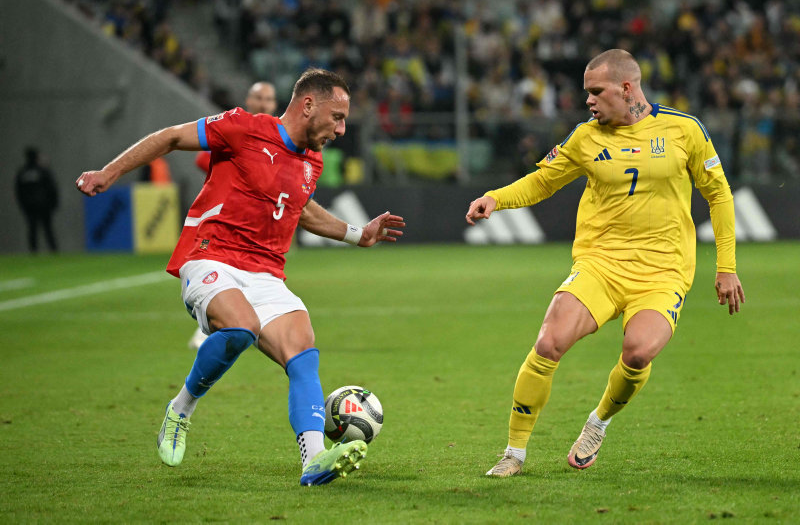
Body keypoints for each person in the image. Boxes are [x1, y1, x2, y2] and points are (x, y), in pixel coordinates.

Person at [76, 68, 405, 486]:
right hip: (210, 257)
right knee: (241, 327)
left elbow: (301, 209)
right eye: (337, 117)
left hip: (266, 272)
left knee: (303, 351)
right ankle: (181, 409)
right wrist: (109, 172)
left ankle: (314, 462)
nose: (341, 129)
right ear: (308, 105)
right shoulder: (243, 128)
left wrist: (359, 235)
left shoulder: (312, 161)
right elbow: (172, 137)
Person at [466, 49, 745, 477]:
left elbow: (719, 194)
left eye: (596, 92)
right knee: (548, 343)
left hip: (663, 270)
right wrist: (495, 199)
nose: (589, 101)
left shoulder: (684, 130)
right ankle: (513, 454)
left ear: (627, 88)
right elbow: (544, 181)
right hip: (600, 264)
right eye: (586, 93)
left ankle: (597, 423)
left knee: (637, 353)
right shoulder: (585, 137)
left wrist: (726, 266)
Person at [187, 80, 278, 349]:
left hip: (263, 223)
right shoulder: (238, 128)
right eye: (258, 98)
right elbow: (201, 158)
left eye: (269, 99)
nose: (263, 103)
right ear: (248, 101)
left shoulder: (280, 137)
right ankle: (209, 329)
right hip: (228, 219)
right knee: (224, 273)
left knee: (258, 276)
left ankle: (249, 325)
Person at [15, 147, 59, 253]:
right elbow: (52, 188)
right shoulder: (42, 171)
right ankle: (54, 251)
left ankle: (33, 252)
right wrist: (53, 203)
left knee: (32, 229)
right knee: (47, 229)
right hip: (44, 205)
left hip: (30, 207)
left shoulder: (23, 172)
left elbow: (19, 191)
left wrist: (23, 205)